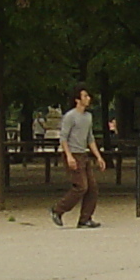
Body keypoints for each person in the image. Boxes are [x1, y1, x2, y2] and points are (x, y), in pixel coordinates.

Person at [50, 87, 106, 229]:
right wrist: (68, 156)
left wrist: (99, 157)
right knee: (81, 186)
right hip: (73, 154)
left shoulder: (88, 117)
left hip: (83, 154)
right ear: (77, 99)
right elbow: (63, 138)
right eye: (85, 96)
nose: (88, 98)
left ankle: (85, 218)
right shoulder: (70, 116)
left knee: (92, 188)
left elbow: (90, 138)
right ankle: (57, 209)